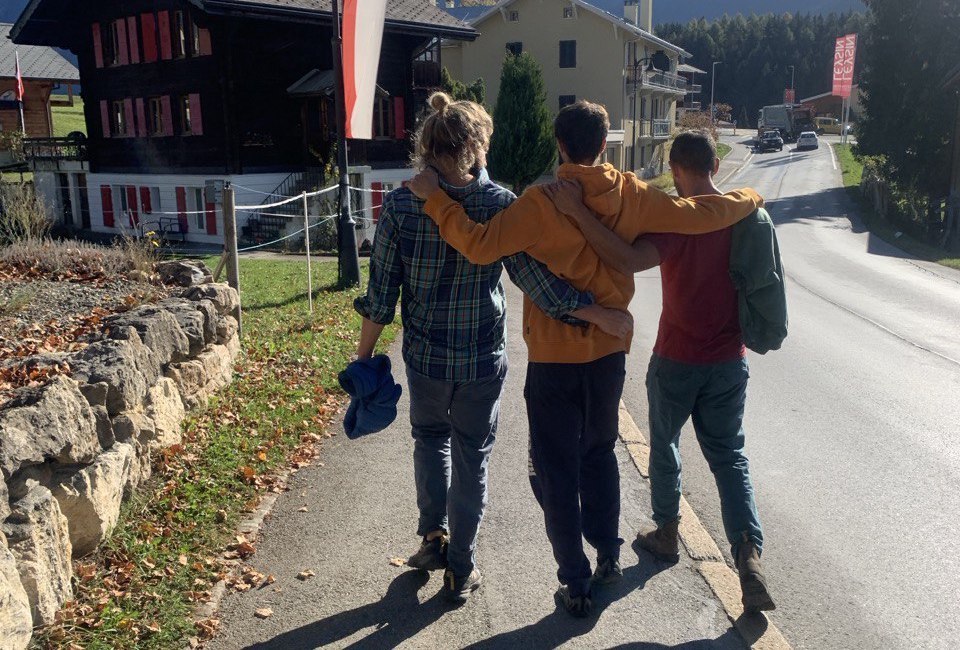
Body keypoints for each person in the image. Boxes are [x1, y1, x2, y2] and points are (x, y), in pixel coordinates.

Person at [407, 101, 764, 617]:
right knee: (599, 455)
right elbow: (700, 213)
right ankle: (610, 555)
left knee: (553, 470)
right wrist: (748, 196)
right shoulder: (632, 194)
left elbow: (481, 246)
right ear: (605, 145)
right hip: (608, 356)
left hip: (553, 359)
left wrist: (438, 201)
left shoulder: (541, 201)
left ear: (559, 146)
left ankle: (574, 581)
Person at [353, 92, 631, 605]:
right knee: (472, 455)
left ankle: (432, 537)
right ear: (479, 145)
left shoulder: (399, 204)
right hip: (482, 359)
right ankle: (461, 566)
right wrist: (598, 313)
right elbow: (536, 282)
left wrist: (364, 356)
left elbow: (380, 296)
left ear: (426, 145)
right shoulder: (502, 203)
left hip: (426, 359)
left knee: (430, 440)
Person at [544, 129, 778, 614]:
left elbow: (625, 259)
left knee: (665, 445)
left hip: (676, 359)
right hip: (729, 362)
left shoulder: (675, 223)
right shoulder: (742, 214)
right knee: (730, 457)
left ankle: (667, 532)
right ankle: (748, 555)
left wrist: (578, 213)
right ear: (715, 167)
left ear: (675, 171)